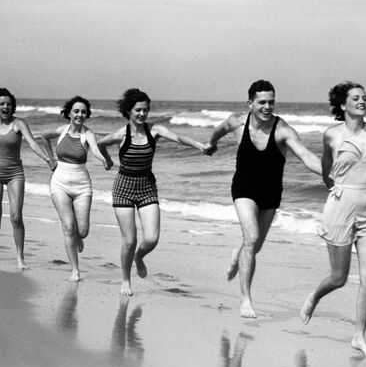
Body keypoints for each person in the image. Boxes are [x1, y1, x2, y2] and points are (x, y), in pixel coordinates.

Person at [203, 80, 321, 318]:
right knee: (252, 237)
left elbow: (307, 157)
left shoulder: (282, 130)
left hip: (270, 193)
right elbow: (220, 129)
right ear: (250, 103)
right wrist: (211, 143)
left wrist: (331, 174)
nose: (268, 107)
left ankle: (238, 253)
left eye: (271, 102)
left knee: (254, 245)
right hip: (244, 188)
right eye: (262, 102)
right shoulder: (238, 121)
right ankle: (245, 300)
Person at [299, 81, 366, 358]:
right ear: (343, 105)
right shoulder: (331, 135)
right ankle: (314, 297)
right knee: (339, 277)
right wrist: (335, 193)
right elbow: (325, 171)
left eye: (364, 97)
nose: (362, 101)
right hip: (340, 209)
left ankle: (359, 336)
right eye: (356, 98)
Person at [97, 88, 205, 296]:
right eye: (138, 110)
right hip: (123, 188)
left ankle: (139, 257)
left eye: (146, 110)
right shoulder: (121, 134)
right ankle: (126, 280)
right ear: (129, 111)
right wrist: (108, 161)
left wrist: (199, 145)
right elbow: (99, 144)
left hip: (147, 186)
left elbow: (179, 137)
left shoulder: (154, 130)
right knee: (129, 240)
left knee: (152, 238)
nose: (142, 114)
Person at [39, 96, 112, 281]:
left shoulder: (88, 134)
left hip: (82, 186)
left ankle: (79, 238)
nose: (80, 114)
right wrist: (51, 160)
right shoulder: (61, 131)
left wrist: (103, 159)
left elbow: (95, 149)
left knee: (82, 231)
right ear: (69, 113)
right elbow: (43, 137)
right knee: (69, 227)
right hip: (59, 183)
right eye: (76, 111)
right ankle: (75, 270)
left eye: (83, 112)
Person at [0, 87, 55, 269]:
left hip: (15, 173)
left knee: (16, 216)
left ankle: (20, 258)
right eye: (1, 104)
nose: (5, 107)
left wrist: (48, 159)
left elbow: (32, 143)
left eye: (8, 104)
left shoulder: (19, 123)